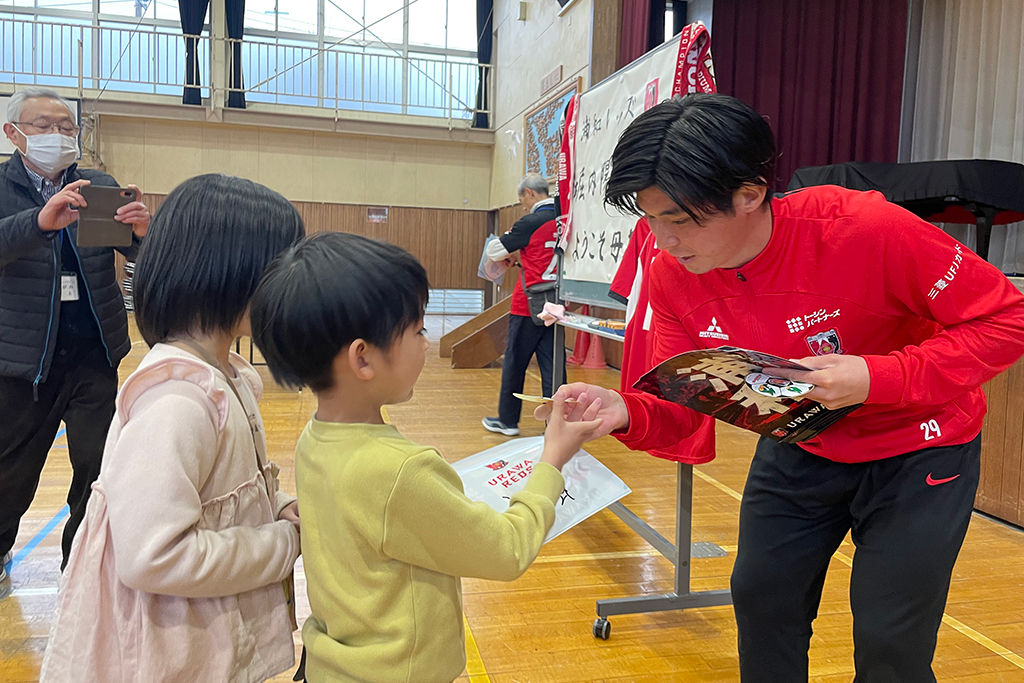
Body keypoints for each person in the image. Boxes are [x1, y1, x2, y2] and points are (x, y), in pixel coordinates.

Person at [537, 93, 1024, 682]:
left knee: (888, 635)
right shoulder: (672, 278)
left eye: (679, 220)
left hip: (919, 449)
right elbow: (683, 409)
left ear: (749, 194)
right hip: (800, 443)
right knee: (763, 603)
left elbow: (1007, 320)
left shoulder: (866, 229)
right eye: (649, 218)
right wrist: (624, 411)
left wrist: (877, 376)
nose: (660, 242)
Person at [249, 232, 605, 683]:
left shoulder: (313, 439)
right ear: (363, 359)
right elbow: (506, 551)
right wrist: (552, 459)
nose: (425, 340)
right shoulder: (399, 470)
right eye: (417, 330)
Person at [40, 174, 306, 683]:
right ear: (231, 273)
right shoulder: (177, 401)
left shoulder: (227, 375)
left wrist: (276, 505)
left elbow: (215, 492)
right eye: (282, 266)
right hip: (167, 648)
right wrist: (284, 542)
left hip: (204, 629)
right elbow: (155, 556)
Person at [0, 87, 151, 581]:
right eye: (44, 126)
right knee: (14, 470)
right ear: (13, 133)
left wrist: (142, 236)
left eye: (67, 127)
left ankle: (81, 564)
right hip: (24, 361)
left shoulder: (97, 185)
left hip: (95, 352)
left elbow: (142, 262)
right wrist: (39, 223)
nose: (59, 135)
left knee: (96, 467)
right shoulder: (3, 187)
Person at [481, 172, 566, 436]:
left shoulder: (530, 222)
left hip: (527, 304)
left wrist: (513, 248)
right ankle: (557, 425)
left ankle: (507, 421)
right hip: (558, 303)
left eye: (522, 201)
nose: (524, 206)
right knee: (554, 367)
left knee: (515, 361)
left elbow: (494, 250)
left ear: (529, 193)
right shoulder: (566, 220)